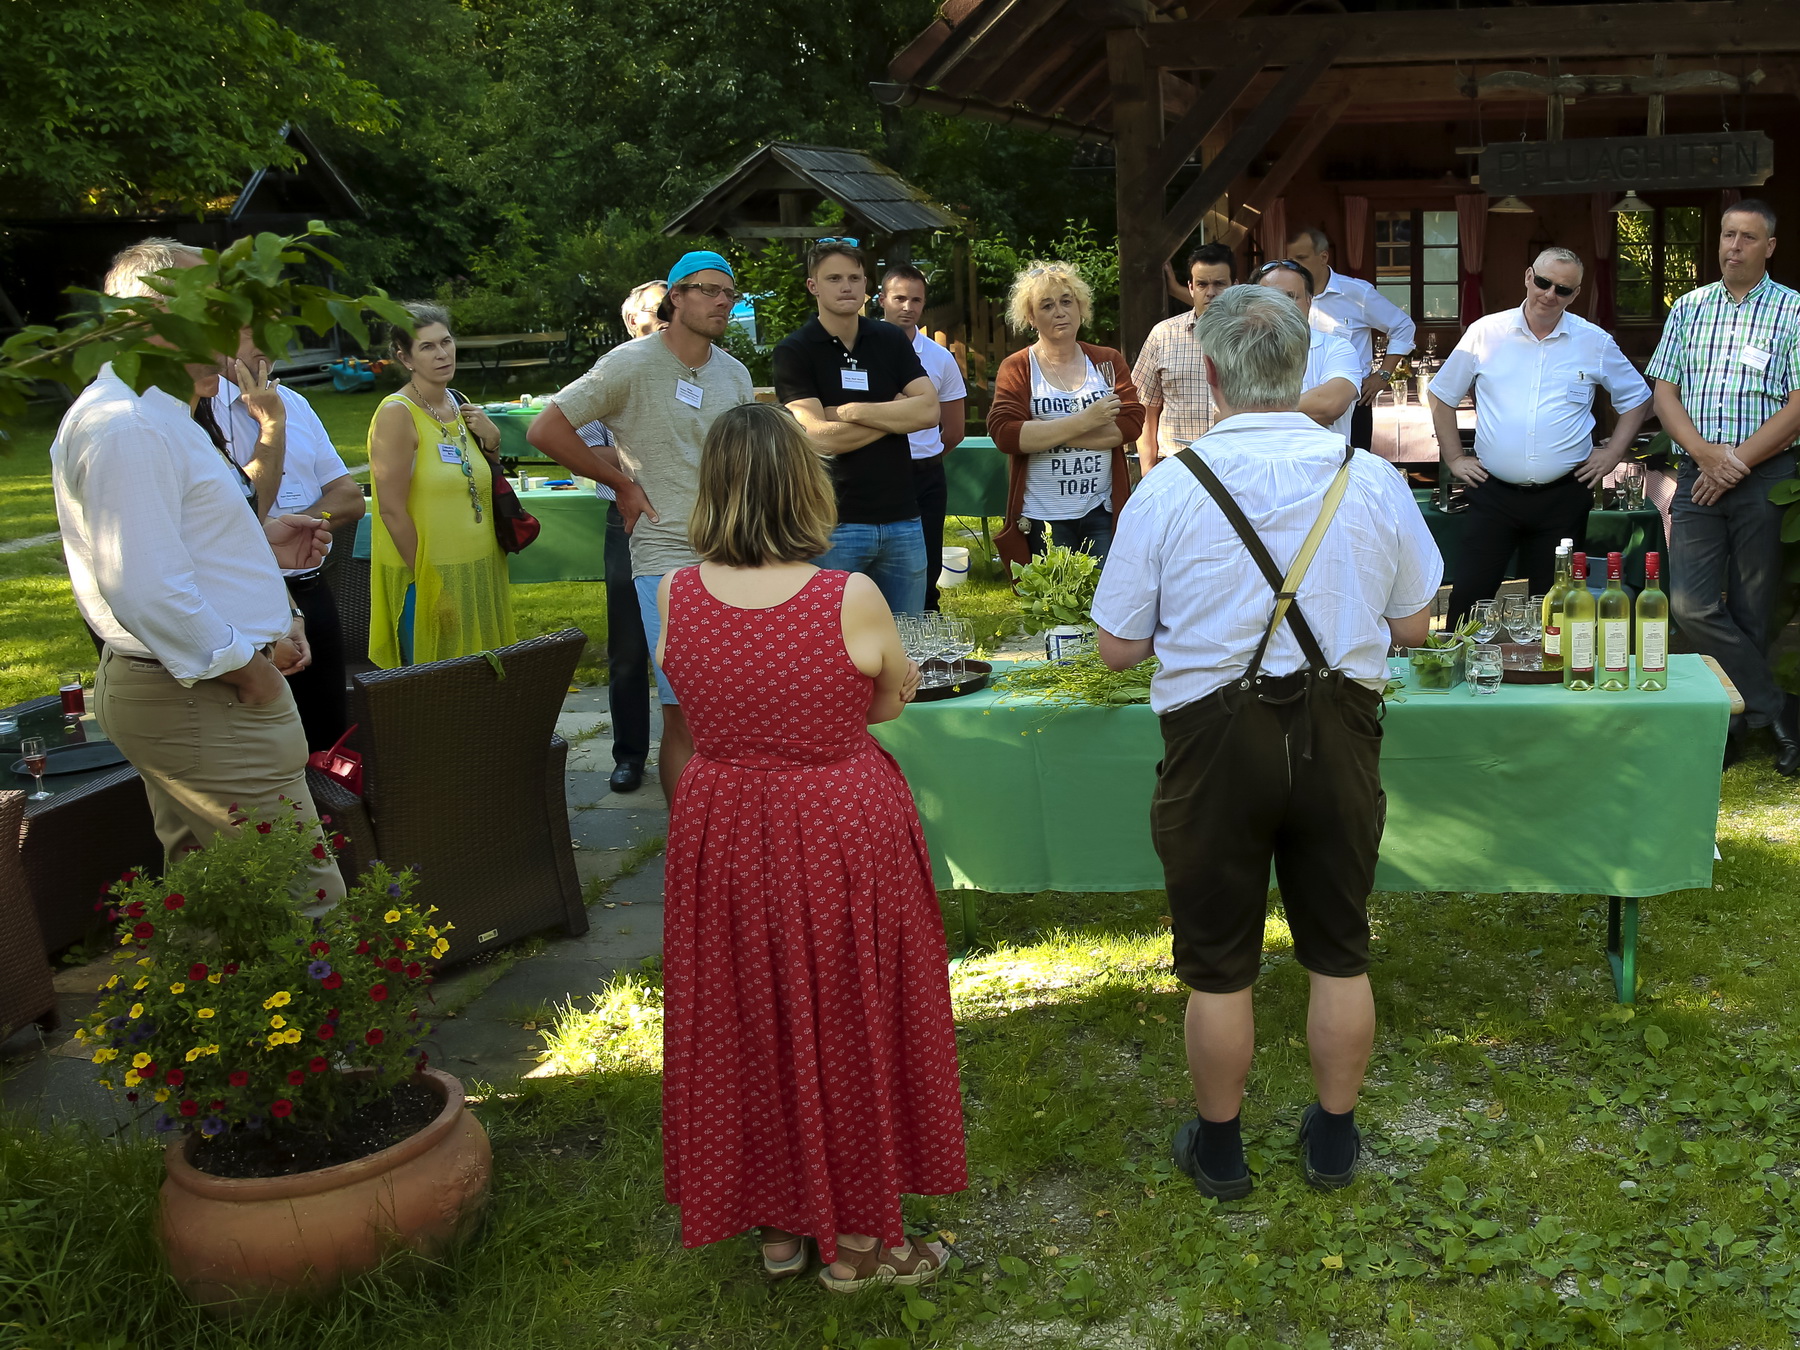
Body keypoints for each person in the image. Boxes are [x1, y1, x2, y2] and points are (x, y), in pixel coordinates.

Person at [1091, 285, 1442, 1197]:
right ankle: (1334, 1139)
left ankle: (1221, 1149)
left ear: (1210, 373)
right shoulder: (1369, 477)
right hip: (1340, 736)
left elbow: (1117, 646)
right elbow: (1414, 624)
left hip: (1212, 745)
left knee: (1218, 966)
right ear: (1302, 368)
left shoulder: (1170, 487)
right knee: (1339, 947)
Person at [656, 402, 966, 1291]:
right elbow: (887, 703)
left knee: (748, 1016)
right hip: (833, 822)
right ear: (804, 486)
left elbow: (689, 699)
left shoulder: (677, 591)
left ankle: (781, 1227)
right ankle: (864, 1240)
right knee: (850, 1014)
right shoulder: (846, 595)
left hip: (721, 823)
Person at [53, 238, 343, 907]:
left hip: (192, 691)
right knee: (306, 907)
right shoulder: (130, 424)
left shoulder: (162, 412)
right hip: (203, 694)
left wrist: (254, 547)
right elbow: (145, 586)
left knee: (219, 908)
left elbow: (171, 547)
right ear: (152, 316)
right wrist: (249, 671)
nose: (237, 322)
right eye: (215, 304)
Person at [527, 251, 753, 793]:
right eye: (708, 290)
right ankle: (687, 836)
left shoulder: (735, 374)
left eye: (729, 293)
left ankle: (730, 819)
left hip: (734, 554)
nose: (722, 301)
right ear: (676, 297)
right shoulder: (628, 363)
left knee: (733, 707)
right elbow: (545, 431)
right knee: (683, 711)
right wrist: (623, 484)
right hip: (665, 556)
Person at [1648, 200, 1800, 774]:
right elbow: (1665, 393)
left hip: (1766, 476)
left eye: (1748, 237)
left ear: (1770, 246)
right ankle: (1779, 710)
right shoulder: (1689, 308)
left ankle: (1731, 726)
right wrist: (1706, 456)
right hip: (1698, 473)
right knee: (1690, 604)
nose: (1734, 246)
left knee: (1754, 608)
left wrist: (1734, 462)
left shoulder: (1793, 310)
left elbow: (1798, 406)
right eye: (1727, 235)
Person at [1431, 247, 1651, 624]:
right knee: (1468, 596)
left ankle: (1548, 663)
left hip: (1563, 497)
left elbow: (1638, 398)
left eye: (1562, 289)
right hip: (1493, 493)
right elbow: (1441, 395)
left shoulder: (1593, 341)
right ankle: (1458, 660)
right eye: (1544, 283)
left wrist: (1614, 452)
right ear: (1528, 277)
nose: (1550, 294)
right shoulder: (1485, 333)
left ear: (1575, 294)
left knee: (1554, 607)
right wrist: (1454, 458)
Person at [213, 333, 365, 752]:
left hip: (312, 592)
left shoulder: (294, 403)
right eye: (254, 328)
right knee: (270, 747)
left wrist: (304, 525)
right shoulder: (202, 412)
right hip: (249, 601)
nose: (270, 341)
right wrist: (270, 424)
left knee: (329, 739)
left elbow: (349, 497)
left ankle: (330, 799)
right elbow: (225, 522)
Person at [774, 241, 940, 613]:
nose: (846, 286)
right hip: (834, 524)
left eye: (854, 278)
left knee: (906, 637)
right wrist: (896, 417)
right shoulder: (795, 350)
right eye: (834, 278)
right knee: (834, 638)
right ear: (813, 286)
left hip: (903, 519)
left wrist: (849, 412)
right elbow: (816, 438)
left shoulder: (889, 339)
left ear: (866, 284)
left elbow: (930, 411)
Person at [366, 303, 515, 668]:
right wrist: (431, 586)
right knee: (440, 690)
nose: (442, 354)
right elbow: (391, 511)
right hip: (431, 577)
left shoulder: (459, 403)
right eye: (427, 347)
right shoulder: (396, 414)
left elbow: (478, 481)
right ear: (405, 357)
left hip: (480, 570)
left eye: (446, 342)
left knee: (485, 685)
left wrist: (493, 441)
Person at [574, 279, 668, 794]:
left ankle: (700, 750)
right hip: (627, 522)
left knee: (699, 640)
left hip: (693, 521)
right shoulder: (608, 374)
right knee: (629, 648)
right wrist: (657, 453)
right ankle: (630, 755)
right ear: (632, 322)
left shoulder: (691, 371)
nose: (666, 318)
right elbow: (587, 451)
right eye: (656, 311)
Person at [987, 261, 1144, 566]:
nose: (1059, 312)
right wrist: (1087, 420)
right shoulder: (1018, 366)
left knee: (1104, 594)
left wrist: (1044, 433)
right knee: (1052, 595)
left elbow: (1130, 423)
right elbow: (1006, 434)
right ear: (1031, 317)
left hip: (1101, 511)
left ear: (1080, 307)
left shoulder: (1106, 361)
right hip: (1043, 518)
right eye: (1047, 306)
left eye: (1067, 301)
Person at [878, 264, 967, 609]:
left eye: (916, 300)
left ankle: (927, 623)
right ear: (882, 299)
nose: (907, 307)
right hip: (872, 469)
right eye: (899, 298)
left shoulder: (940, 358)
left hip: (925, 474)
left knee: (927, 563)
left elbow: (954, 430)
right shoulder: (859, 351)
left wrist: (927, 457)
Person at [1287, 227, 1417, 450]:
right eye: (1290, 260)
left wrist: (1384, 374)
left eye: (1301, 258)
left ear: (1323, 257)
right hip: (1296, 402)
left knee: (1352, 465)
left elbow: (1403, 326)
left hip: (1351, 401)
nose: (1295, 266)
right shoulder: (1285, 296)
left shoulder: (1357, 293)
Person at [1134, 242, 1236, 477]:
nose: (1210, 292)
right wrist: (1148, 471)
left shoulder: (1252, 337)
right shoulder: (1163, 335)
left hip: (1233, 468)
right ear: (1190, 287)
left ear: (1235, 286)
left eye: (1219, 284)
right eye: (1202, 284)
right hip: (1175, 467)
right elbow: (1145, 408)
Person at [1254, 259, 1361, 443]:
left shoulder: (1336, 348)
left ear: (1309, 302)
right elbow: (1220, 415)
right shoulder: (1239, 352)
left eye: (1290, 296)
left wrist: (1252, 412)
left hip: (1326, 462)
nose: (1281, 306)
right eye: (1271, 298)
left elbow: (1330, 405)